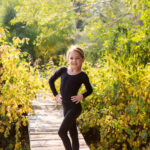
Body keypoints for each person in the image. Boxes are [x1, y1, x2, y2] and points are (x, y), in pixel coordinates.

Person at [48, 45, 93, 150]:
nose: (74, 60)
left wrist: (81, 95)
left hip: (75, 107)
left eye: (77, 58)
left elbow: (90, 90)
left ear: (83, 60)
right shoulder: (63, 70)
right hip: (66, 107)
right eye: (71, 58)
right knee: (73, 134)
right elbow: (51, 80)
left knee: (62, 132)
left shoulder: (82, 76)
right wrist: (56, 95)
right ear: (68, 59)